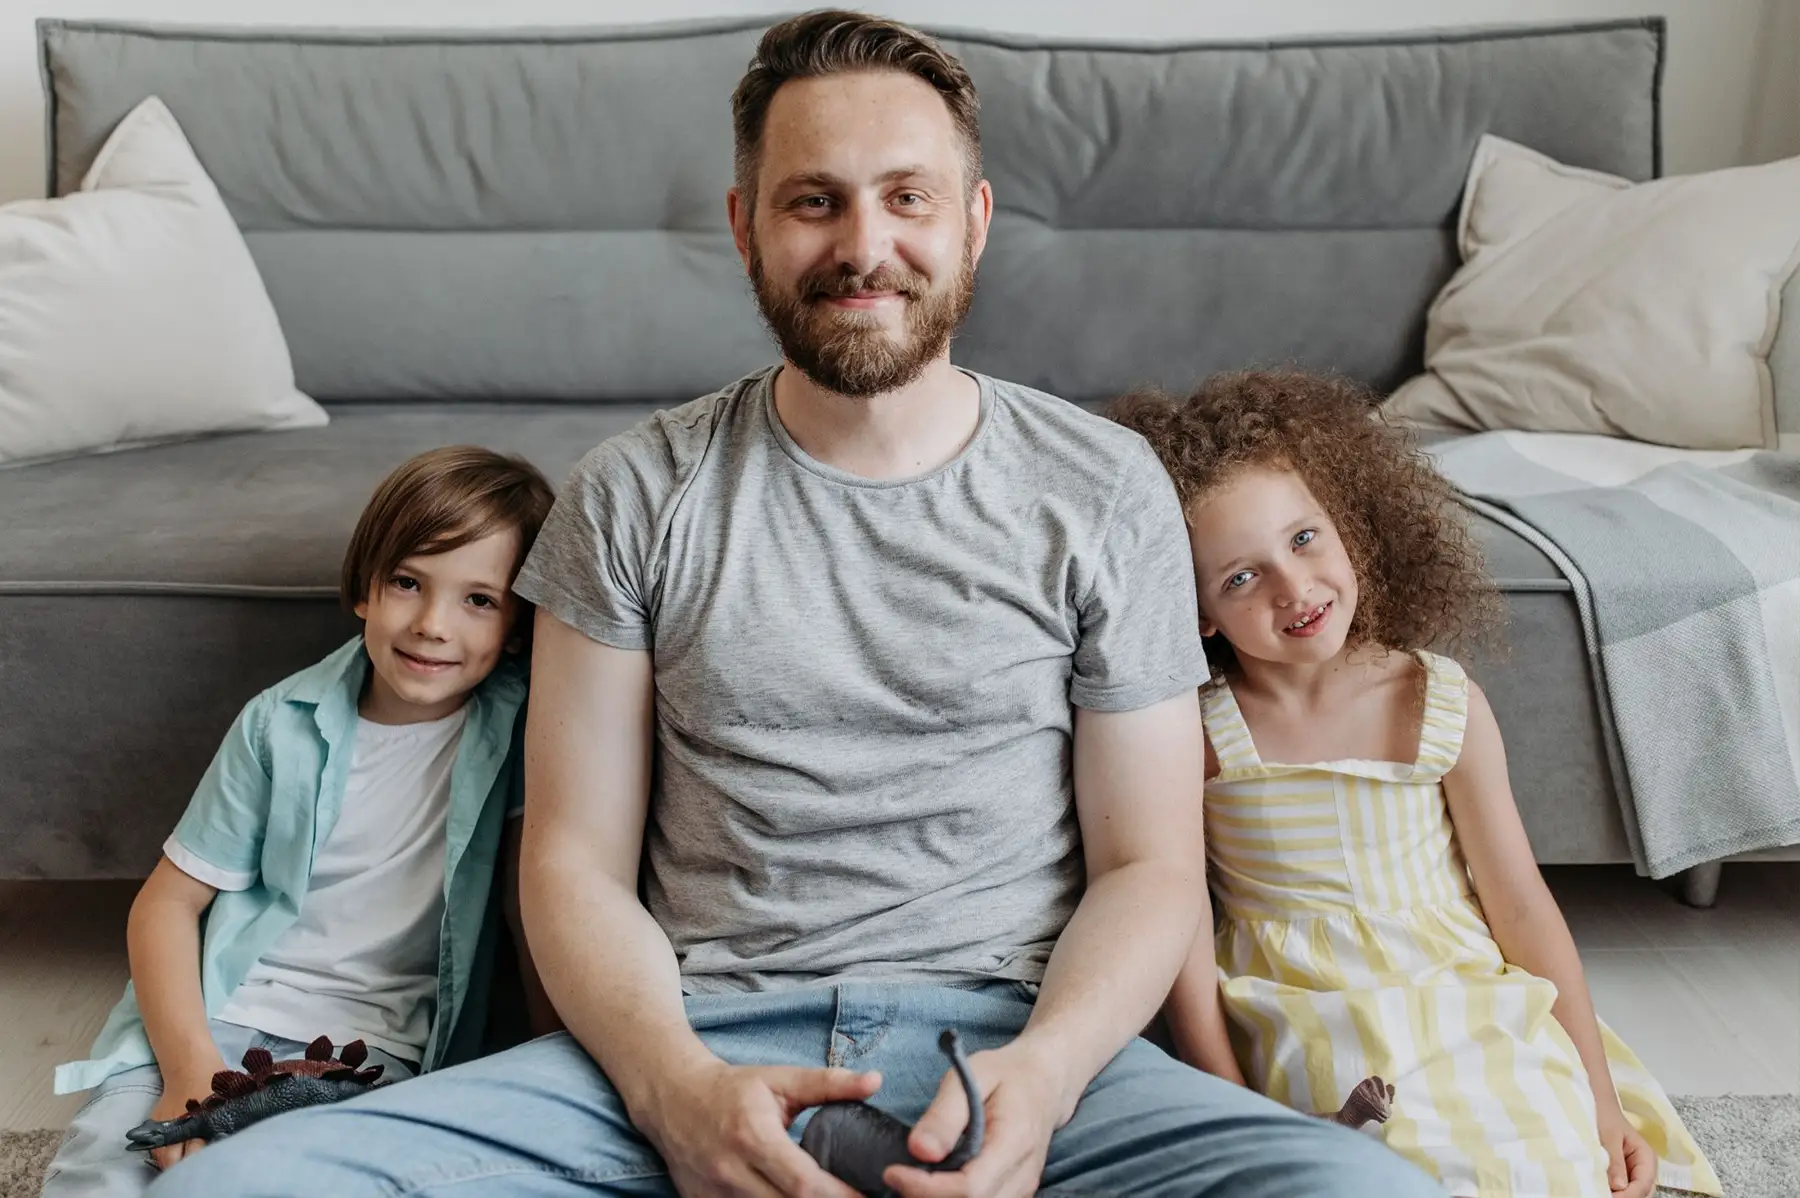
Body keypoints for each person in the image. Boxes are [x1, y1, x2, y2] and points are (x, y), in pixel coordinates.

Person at [153, 12, 1440, 1198]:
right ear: (746, 224)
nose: (863, 246)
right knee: (227, 1186)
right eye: (814, 202)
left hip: (1013, 1045)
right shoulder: (634, 491)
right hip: (684, 1044)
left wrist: (1045, 1077)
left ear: (975, 222)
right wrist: (672, 1092)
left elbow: (1150, 865)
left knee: (1365, 1190)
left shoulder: (1104, 490)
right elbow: (573, 860)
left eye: (906, 199)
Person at [1109, 370, 1721, 1198]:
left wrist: (1600, 1101)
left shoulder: (1441, 702)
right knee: (1375, 1165)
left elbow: (1521, 907)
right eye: (1241, 578)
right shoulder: (1201, 735)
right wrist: (1224, 1094)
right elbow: (1177, 919)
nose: (1295, 589)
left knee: (1538, 1158)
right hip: (1301, 1010)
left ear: (1348, 527)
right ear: (1198, 612)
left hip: (1462, 996)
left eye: (1303, 538)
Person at [45, 446, 559, 1198]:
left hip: (375, 1049)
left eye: (478, 600)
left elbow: (536, 909)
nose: (432, 625)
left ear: (517, 626)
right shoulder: (278, 725)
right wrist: (190, 1067)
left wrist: (558, 1060)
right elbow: (165, 905)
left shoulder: (527, 729)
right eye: (408, 583)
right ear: (364, 589)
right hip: (212, 1015)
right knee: (105, 1170)